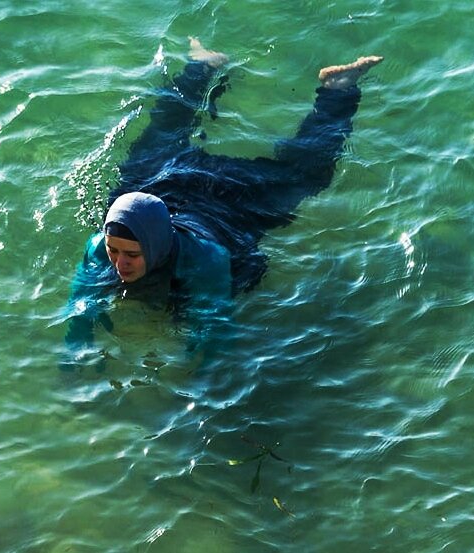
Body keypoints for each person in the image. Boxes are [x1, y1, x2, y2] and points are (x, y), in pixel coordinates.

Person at [62, 39, 383, 371]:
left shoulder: (206, 260)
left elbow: (216, 331)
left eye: (131, 254)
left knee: (306, 177)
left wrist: (200, 392)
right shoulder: (101, 245)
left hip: (231, 201)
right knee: (155, 141)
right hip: (165, 181)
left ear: (153, 246)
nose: (119, 263)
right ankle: (203, 64)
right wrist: (70, 365)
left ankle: (338, 89)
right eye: (116, 251)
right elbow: (79, 308)